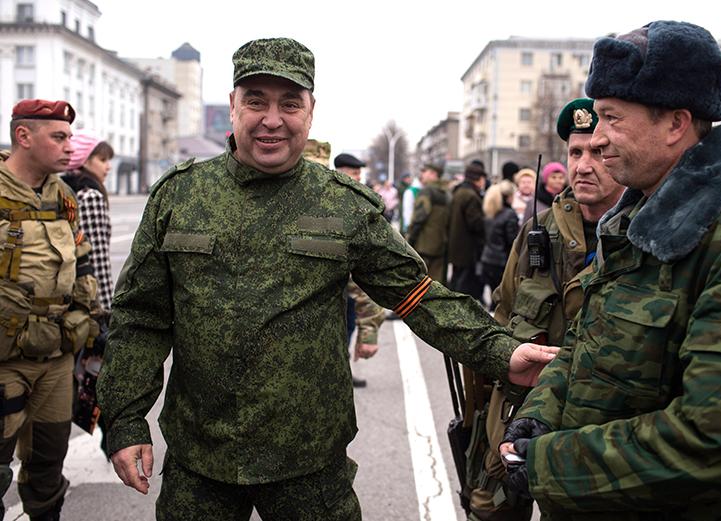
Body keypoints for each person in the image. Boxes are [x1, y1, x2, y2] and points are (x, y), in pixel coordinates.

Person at [96, 37, 556, 521]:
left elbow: (419, 296)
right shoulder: (180, 196)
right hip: (200, 462)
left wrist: (501, 351)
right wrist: (125, 421)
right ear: (233, 106)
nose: (272, 119)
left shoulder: (342, 204)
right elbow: (141, 318)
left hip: (309, 464)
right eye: (256, 101)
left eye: (289, 103)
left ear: (310, 112)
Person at [500, 21, 721, 520]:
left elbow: (718, 438)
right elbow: (582, 346)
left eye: (611, 119)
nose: (596, 140)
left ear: (675, 124)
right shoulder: (632, 222)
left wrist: (549, 464)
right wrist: (537, 418)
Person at [464, 98, 623, 521]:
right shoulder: (538, 230)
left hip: (590, 424)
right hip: (517, 407)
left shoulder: (642, 235)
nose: (584, 165)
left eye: (599, 152)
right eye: (575, 152)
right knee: (489, 509)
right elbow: (504, 310)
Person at [0, 100, 99, 520]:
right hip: (5, 360)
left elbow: (83, 262)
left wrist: (90, 323)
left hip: (56, 357)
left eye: (70, 137)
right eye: (58, 137)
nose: (69, 147)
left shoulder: (63, 195)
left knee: (47, 469)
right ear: (23, 136)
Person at [60, 132, 115, 453]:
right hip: (93, 302)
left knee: (83, 373)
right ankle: (109, 437)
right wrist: (104, 307)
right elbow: (95, 259)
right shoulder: (91, 195)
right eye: (101, 159)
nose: (107, 166)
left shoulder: (65, 189)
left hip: (70, 300)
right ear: (84, 160)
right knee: (96, 373)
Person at [332, 151, 387, 388]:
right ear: (340, 171)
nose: (358, 178)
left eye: (358, 174)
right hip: (343, 290)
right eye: (354, 173)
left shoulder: (355, 201)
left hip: (350, 292)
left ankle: (341, 372)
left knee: (347, 328)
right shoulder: (335, 202)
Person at [448, 163, 487, 303]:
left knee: (457, 278)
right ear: (478, 179)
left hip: (457, 243)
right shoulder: (471, 195)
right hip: (467, 246)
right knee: (463, 283)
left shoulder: (458, 192)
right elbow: (475, 223)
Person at [407, 163, 450, 283]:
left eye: (425, 171)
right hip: (441, 245)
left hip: (423, 246)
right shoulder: (446, 193)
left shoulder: (426, 191)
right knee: (437, 283)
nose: (422, 175)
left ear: (433, 174)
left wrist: (410, 239)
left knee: (420, 284)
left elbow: (419, 218)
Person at [479, 180, 520, 307]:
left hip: (488, 259)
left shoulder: (490, 212)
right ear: (508, 197)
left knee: (493, 297)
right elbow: (512, 240)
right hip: (502, 262)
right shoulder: (510, 214)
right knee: (502, 300)